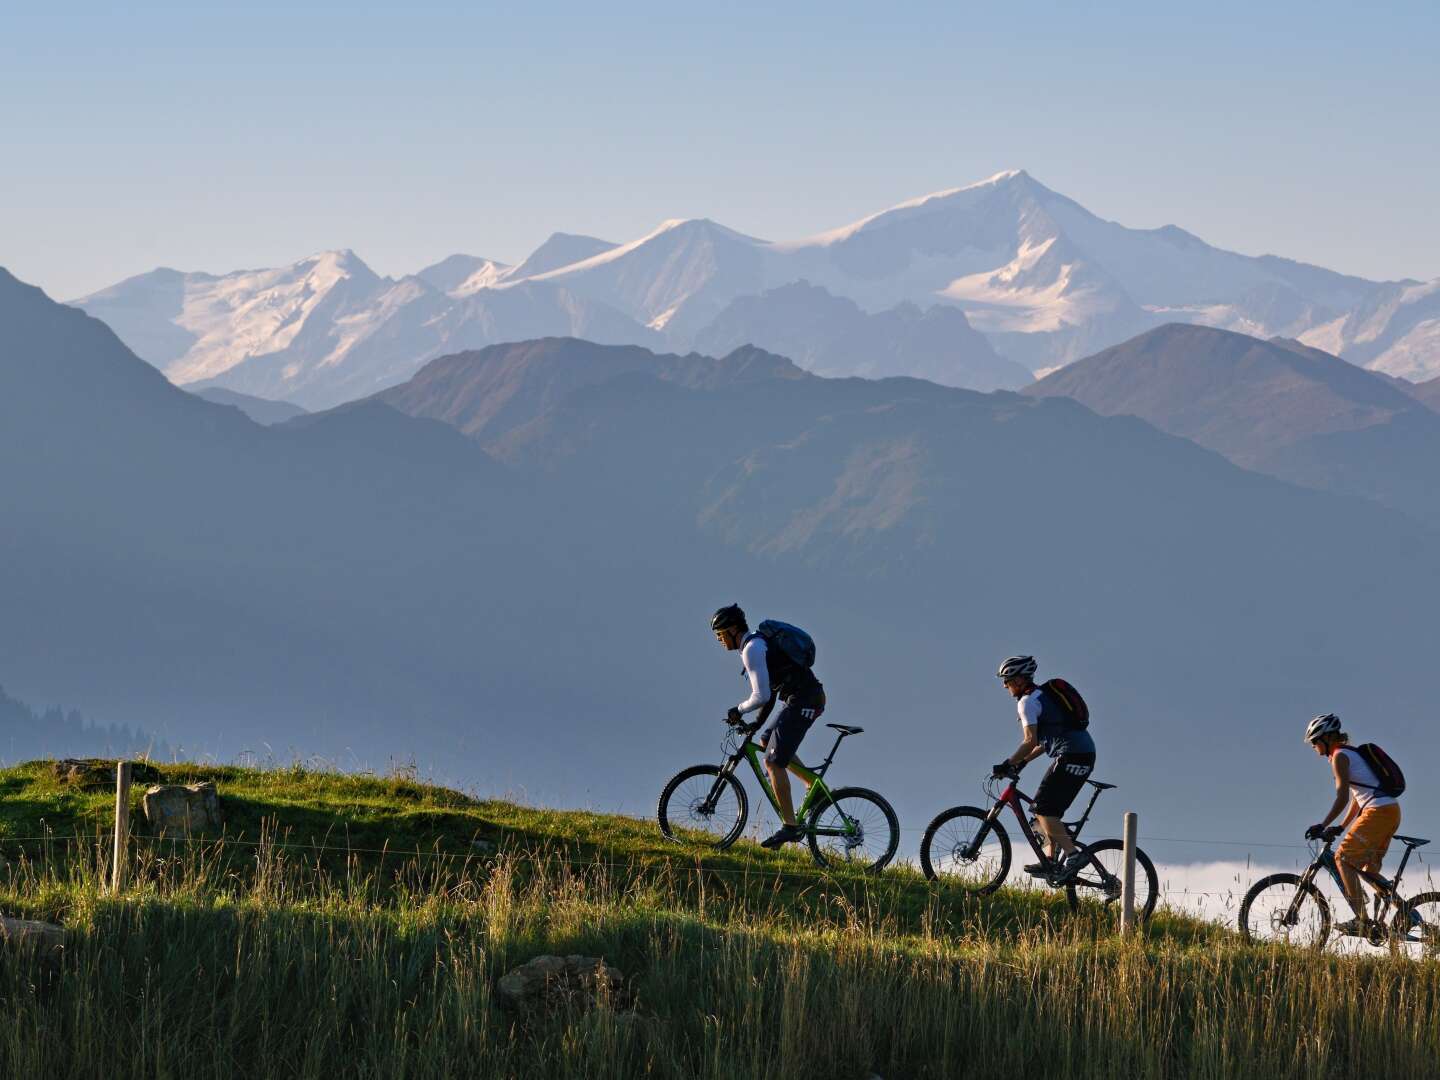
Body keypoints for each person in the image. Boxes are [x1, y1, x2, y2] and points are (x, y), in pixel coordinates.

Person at [710, 604, 826, 849]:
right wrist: (755, 725)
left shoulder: (751, 649)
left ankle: (790, 826)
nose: (719, 640)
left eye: (720, 634)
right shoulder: (757, 645)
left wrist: (738, 710)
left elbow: (760, 696)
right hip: (800, 698)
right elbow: (771, 696)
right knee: (765, 742)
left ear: (732, 630)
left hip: (804, 700)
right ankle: (812, 786)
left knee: (773, 762)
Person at [990, 655, 1096, 880]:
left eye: (1007, 680)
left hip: (1072, 755)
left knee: (1042, 807)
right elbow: (1042, 743)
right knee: (1047, 811)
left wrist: (1007, 763)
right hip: (1082, 753)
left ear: (1018, 680)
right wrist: (1023, 761)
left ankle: (1073, 855)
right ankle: (1050, 860)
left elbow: (1029, 741)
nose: (1004, 685)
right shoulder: (1043, 696)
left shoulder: (1027, 702)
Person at [1303, 713, 1402, 936]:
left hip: (1378, 812)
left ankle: (1361, 920)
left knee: (1342, 858)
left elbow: (1342, 798)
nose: (1313, 747)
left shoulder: (1339, 757)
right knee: (1369, 872)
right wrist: (1341, 826)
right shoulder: (1350, 753)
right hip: (1389, 811)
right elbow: (1359, 798)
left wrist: (1322, 824)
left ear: (1326, 738)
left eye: (1314, 741)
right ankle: (1408, 913)